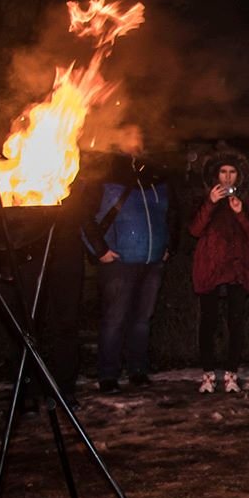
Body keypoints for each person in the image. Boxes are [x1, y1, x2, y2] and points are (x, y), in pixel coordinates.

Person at [82, 153, 176, 394]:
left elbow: (172, 215)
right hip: (118, 263)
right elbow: (82, 217)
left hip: (152, 261)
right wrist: (99, 250)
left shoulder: (158, 180)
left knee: (142, 320)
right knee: (114, 320)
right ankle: (108, 374)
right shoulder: (107, 179)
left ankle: (138, 370)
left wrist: (168, 246)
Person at [191, 150, 249, 394]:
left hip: (237, 269)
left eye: (232, 172)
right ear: (215, 174)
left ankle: (232, 374)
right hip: (210, 268)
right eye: (223, 172)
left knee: (236, 323)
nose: (228, 177)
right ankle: (208, 375)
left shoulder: (247, 199)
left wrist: (240, 212)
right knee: (208, 323)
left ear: (239, 175)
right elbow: (194, 229)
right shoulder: (202, 197)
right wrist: (210, 203)